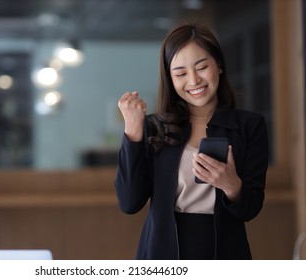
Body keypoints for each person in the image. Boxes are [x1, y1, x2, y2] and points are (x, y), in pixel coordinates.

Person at [114, 22, 269, 260]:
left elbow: (250, 209)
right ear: (170, 79)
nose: (194, 80)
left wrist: (231, 185)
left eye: (202, 67)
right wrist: (133, 132)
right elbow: (129, 202)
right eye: (181, 74)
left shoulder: (250, 126)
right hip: (161, 254)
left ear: (218, 65)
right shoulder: (155, 128)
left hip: (225, 254)